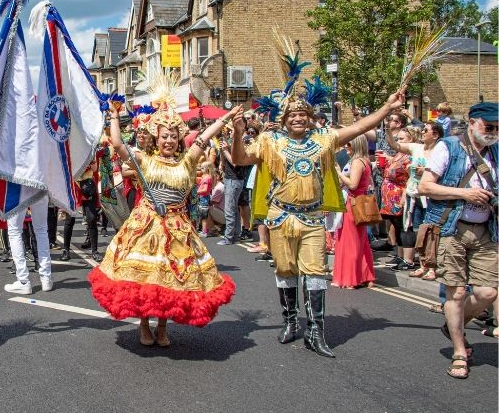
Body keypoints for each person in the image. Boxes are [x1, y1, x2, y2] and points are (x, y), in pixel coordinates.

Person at [231, 38, 406, 358]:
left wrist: (387, 108)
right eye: (292, 115)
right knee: (285, 273)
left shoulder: (324, 139)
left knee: (315, 273)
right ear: (284, 119)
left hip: (311, 219)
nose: (297, 118)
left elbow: (360, 126)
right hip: (281, 216)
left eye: (302, 114)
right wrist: (236, 129)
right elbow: (241, 159)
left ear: (310, 118)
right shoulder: (270, 141)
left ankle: (316, 330)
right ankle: (290, 322)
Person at [88, 77, 235, 347]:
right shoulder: (145, 159)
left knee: (172, 281)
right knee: (146, 279)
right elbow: (118, 145)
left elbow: (204, 137)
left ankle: (163, 327)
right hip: (146, 225)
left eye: (173, 135)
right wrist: (114, 117)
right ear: (157, 137)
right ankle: (144, 325)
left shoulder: (188, 160)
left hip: (178, 227)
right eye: (164, 136)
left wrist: (225, 118)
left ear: (179, 138)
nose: (168, 140)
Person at [418, 101, 498, 379]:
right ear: (473, 123)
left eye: (498, 128)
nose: (493, 132)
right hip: (451, 227)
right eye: (489, 127)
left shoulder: (496, 152)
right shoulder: (449, 147)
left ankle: (455, 324)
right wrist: (465, 195)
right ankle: (459, 350)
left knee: (488, 292)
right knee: (457, 291)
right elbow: (425, 187)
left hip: (486, 229)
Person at [387, 121, 443, 280]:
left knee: (432, 232)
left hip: (430, 197)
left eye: (426, 130)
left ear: (436, 135)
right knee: (417, 232)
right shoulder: (416, 147)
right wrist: (387, 128)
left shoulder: (440, 150)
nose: (423, 132)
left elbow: (443, 169)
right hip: (414, 194)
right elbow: (394, 145)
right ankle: (423, 265)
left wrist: (425, 170)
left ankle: (432, 267)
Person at [332, 135, 375, 289]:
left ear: (356, 145)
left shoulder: (357, 162)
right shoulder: (364, 161)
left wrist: (338, 172)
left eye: (348, 144)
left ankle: (350, 278)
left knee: (349, 241)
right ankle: (365, 275)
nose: (345, 147)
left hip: (354, 202)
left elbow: (353, 184)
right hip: (360, 202)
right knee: (361, 241)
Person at [379, 128, 413, 270]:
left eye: (402, 139)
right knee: (397, 226)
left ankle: (408, 259)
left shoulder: (410, 156)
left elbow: (411, 178)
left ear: (411, 140)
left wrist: (405, 195)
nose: (398, 142)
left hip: (400, 195)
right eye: (397, 139)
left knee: (405, 227)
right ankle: (400, 256)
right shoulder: (399, 154)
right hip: (390, 197)